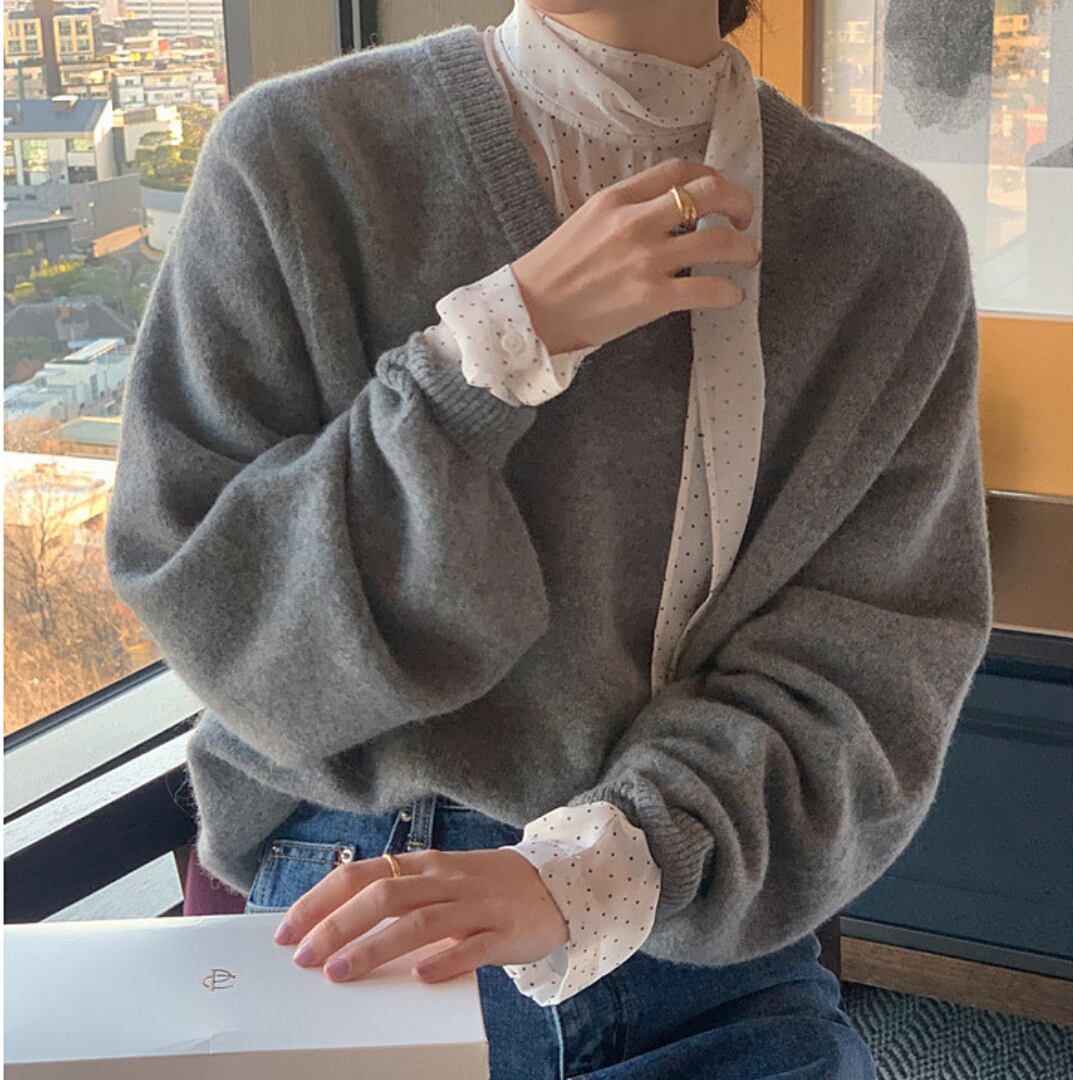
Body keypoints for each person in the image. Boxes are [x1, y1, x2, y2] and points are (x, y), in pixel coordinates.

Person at [104, 0, 993, 1076]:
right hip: (364, 900)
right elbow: (229, 625)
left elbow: (868, 674)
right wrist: (490, 349)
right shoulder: (299, 155)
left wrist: (598, 872)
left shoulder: (886, 241)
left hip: (696, 927)